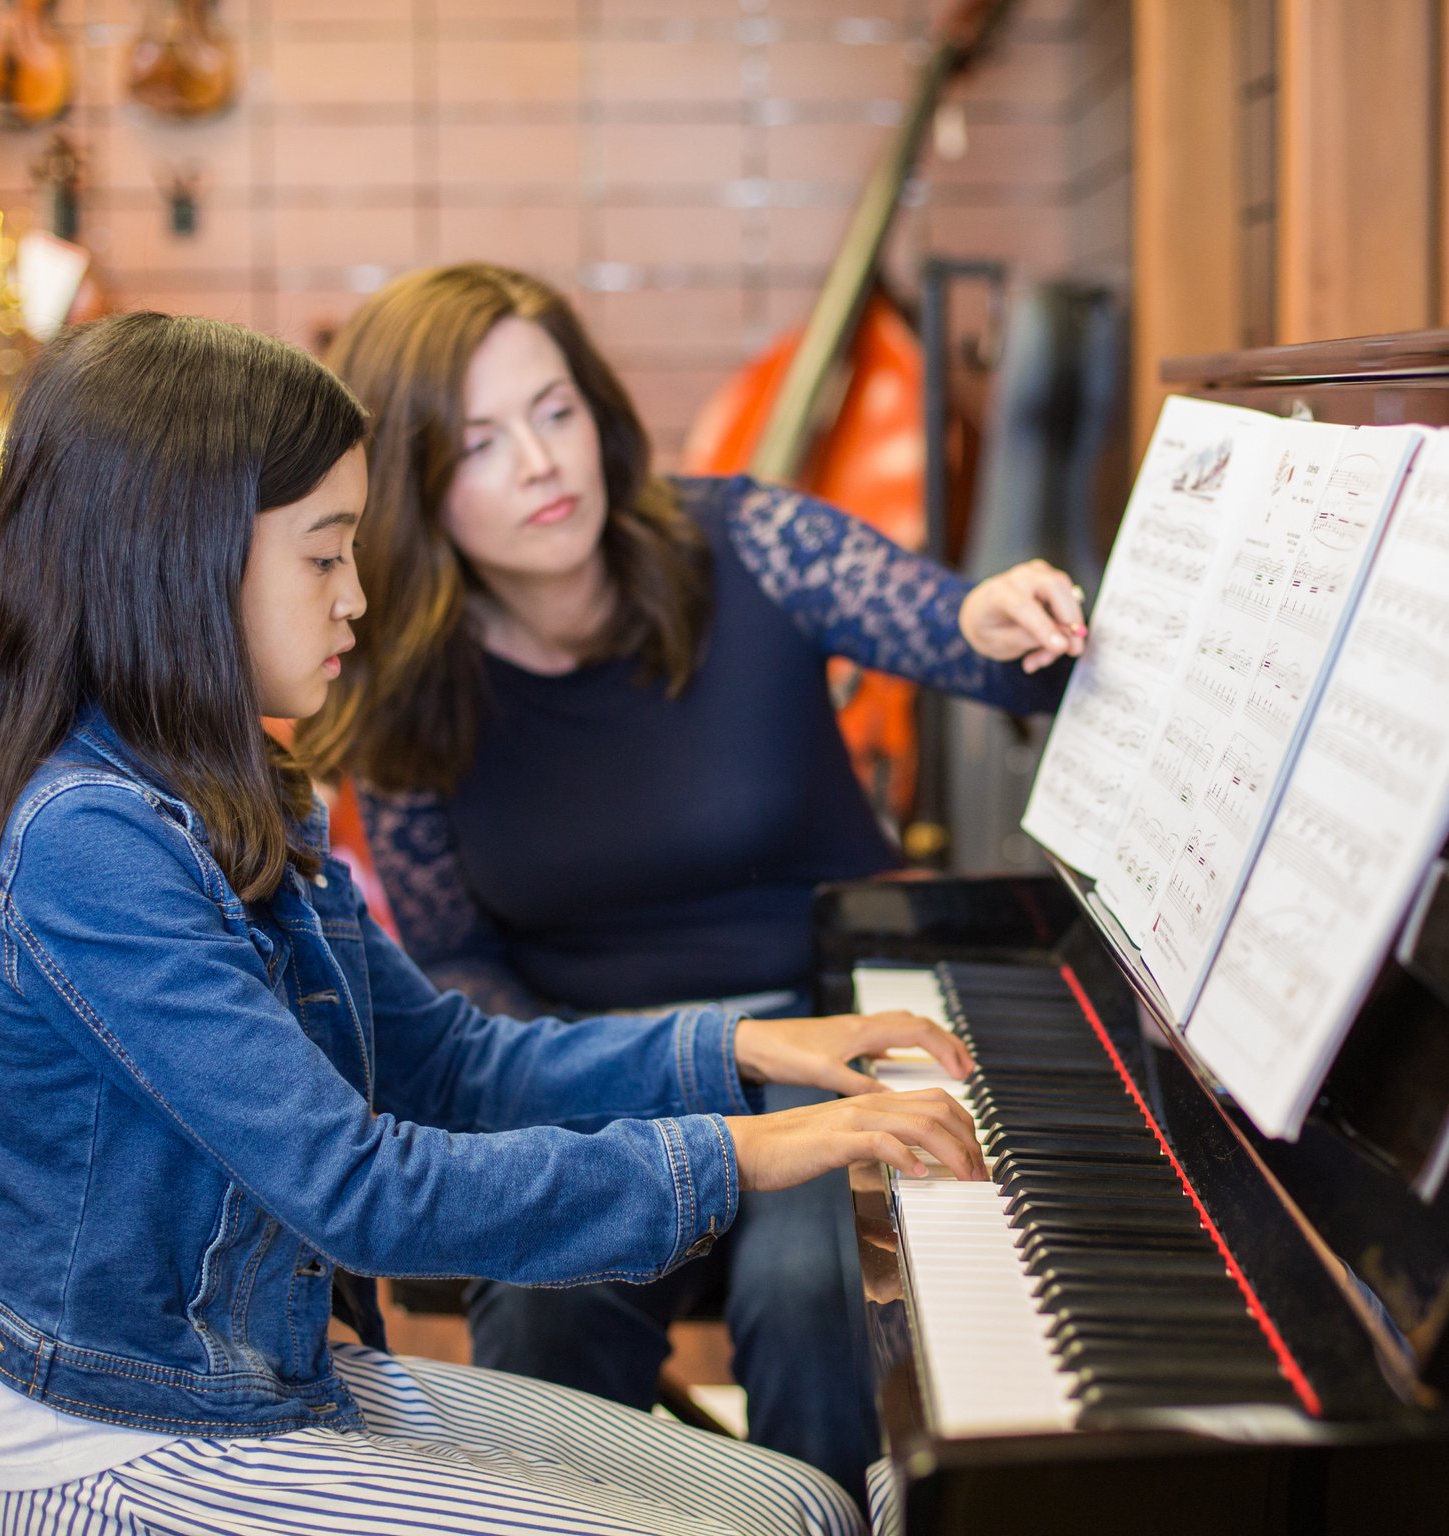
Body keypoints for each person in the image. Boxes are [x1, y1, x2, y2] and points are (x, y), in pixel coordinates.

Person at [0, 310, 987, 1535]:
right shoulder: (87, 840)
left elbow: (446, 1060)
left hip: (265, 1375)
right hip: (127, 1437)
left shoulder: (241, 785)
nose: (362, 598)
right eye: (326, 556)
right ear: (181, 565)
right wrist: (757, 1149)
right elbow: (360, 1188)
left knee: (810, 1506)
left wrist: (747, 1053)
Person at [298, 263, 1087, 1495]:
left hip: (831, 1032)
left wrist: (995, 619)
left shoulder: (750, 541)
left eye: (554, 413)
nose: (541, 465)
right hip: (595, 1070)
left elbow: (959, 633)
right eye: (479, 445)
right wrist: (593, 1099)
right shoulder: (405, 684)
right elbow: (458, 962)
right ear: (410, 485)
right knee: (543, 1307)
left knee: (818, 1291)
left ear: (597, 408)